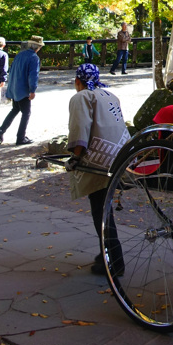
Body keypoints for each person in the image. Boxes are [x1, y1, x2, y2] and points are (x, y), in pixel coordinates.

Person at [67, 62, 129, 276]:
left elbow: (80, 129)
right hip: (121, 153)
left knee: (100, 211)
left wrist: (75, 157)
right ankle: (108, 254)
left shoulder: (81, 97)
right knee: (104, 208)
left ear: (78, 81)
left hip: (98, 158)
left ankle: (114, 260)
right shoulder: (110, 95)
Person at [0, 35, 43, 145]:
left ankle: (1, 131)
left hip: (15, 87)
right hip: (23, 89)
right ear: (38, 47)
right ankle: (20, 137)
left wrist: (10, 88)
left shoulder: (20, 55)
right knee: (26, 112)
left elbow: (11, 71)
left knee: (15, 109)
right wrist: (32, 90)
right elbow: (33, 75)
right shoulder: (34, 58)